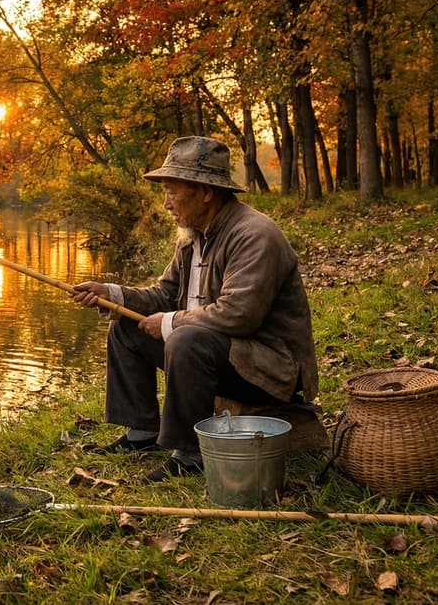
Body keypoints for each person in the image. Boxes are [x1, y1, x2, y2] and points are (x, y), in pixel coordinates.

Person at [72, 136, 318, 483]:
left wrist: (171, 323)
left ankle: (189, 455)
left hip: (269, 369)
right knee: (126, 326)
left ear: (205, 192)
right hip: (223, 354)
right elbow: (164, 295)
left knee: (185, 339)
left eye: (173, 191)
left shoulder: (254, 234)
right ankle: (143, 433)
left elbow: (239, 314)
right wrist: (111, 294)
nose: (166, 202)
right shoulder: (195, 235)